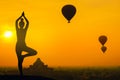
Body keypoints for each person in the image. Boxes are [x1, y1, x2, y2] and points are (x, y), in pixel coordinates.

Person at [15, 12, 37, 76]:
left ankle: (23, 56)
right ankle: (21, 74)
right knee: (19, 61)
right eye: (21, 23)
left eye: (22, 23)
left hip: (22, 45)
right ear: (20, 24)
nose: (22, 24)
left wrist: (22, 17)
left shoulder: (24, 30)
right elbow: (16, 22)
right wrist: (23, 17)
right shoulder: (18, 30)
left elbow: (27, 23)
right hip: (19, 45)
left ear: (23, 25)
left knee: (34, 52)